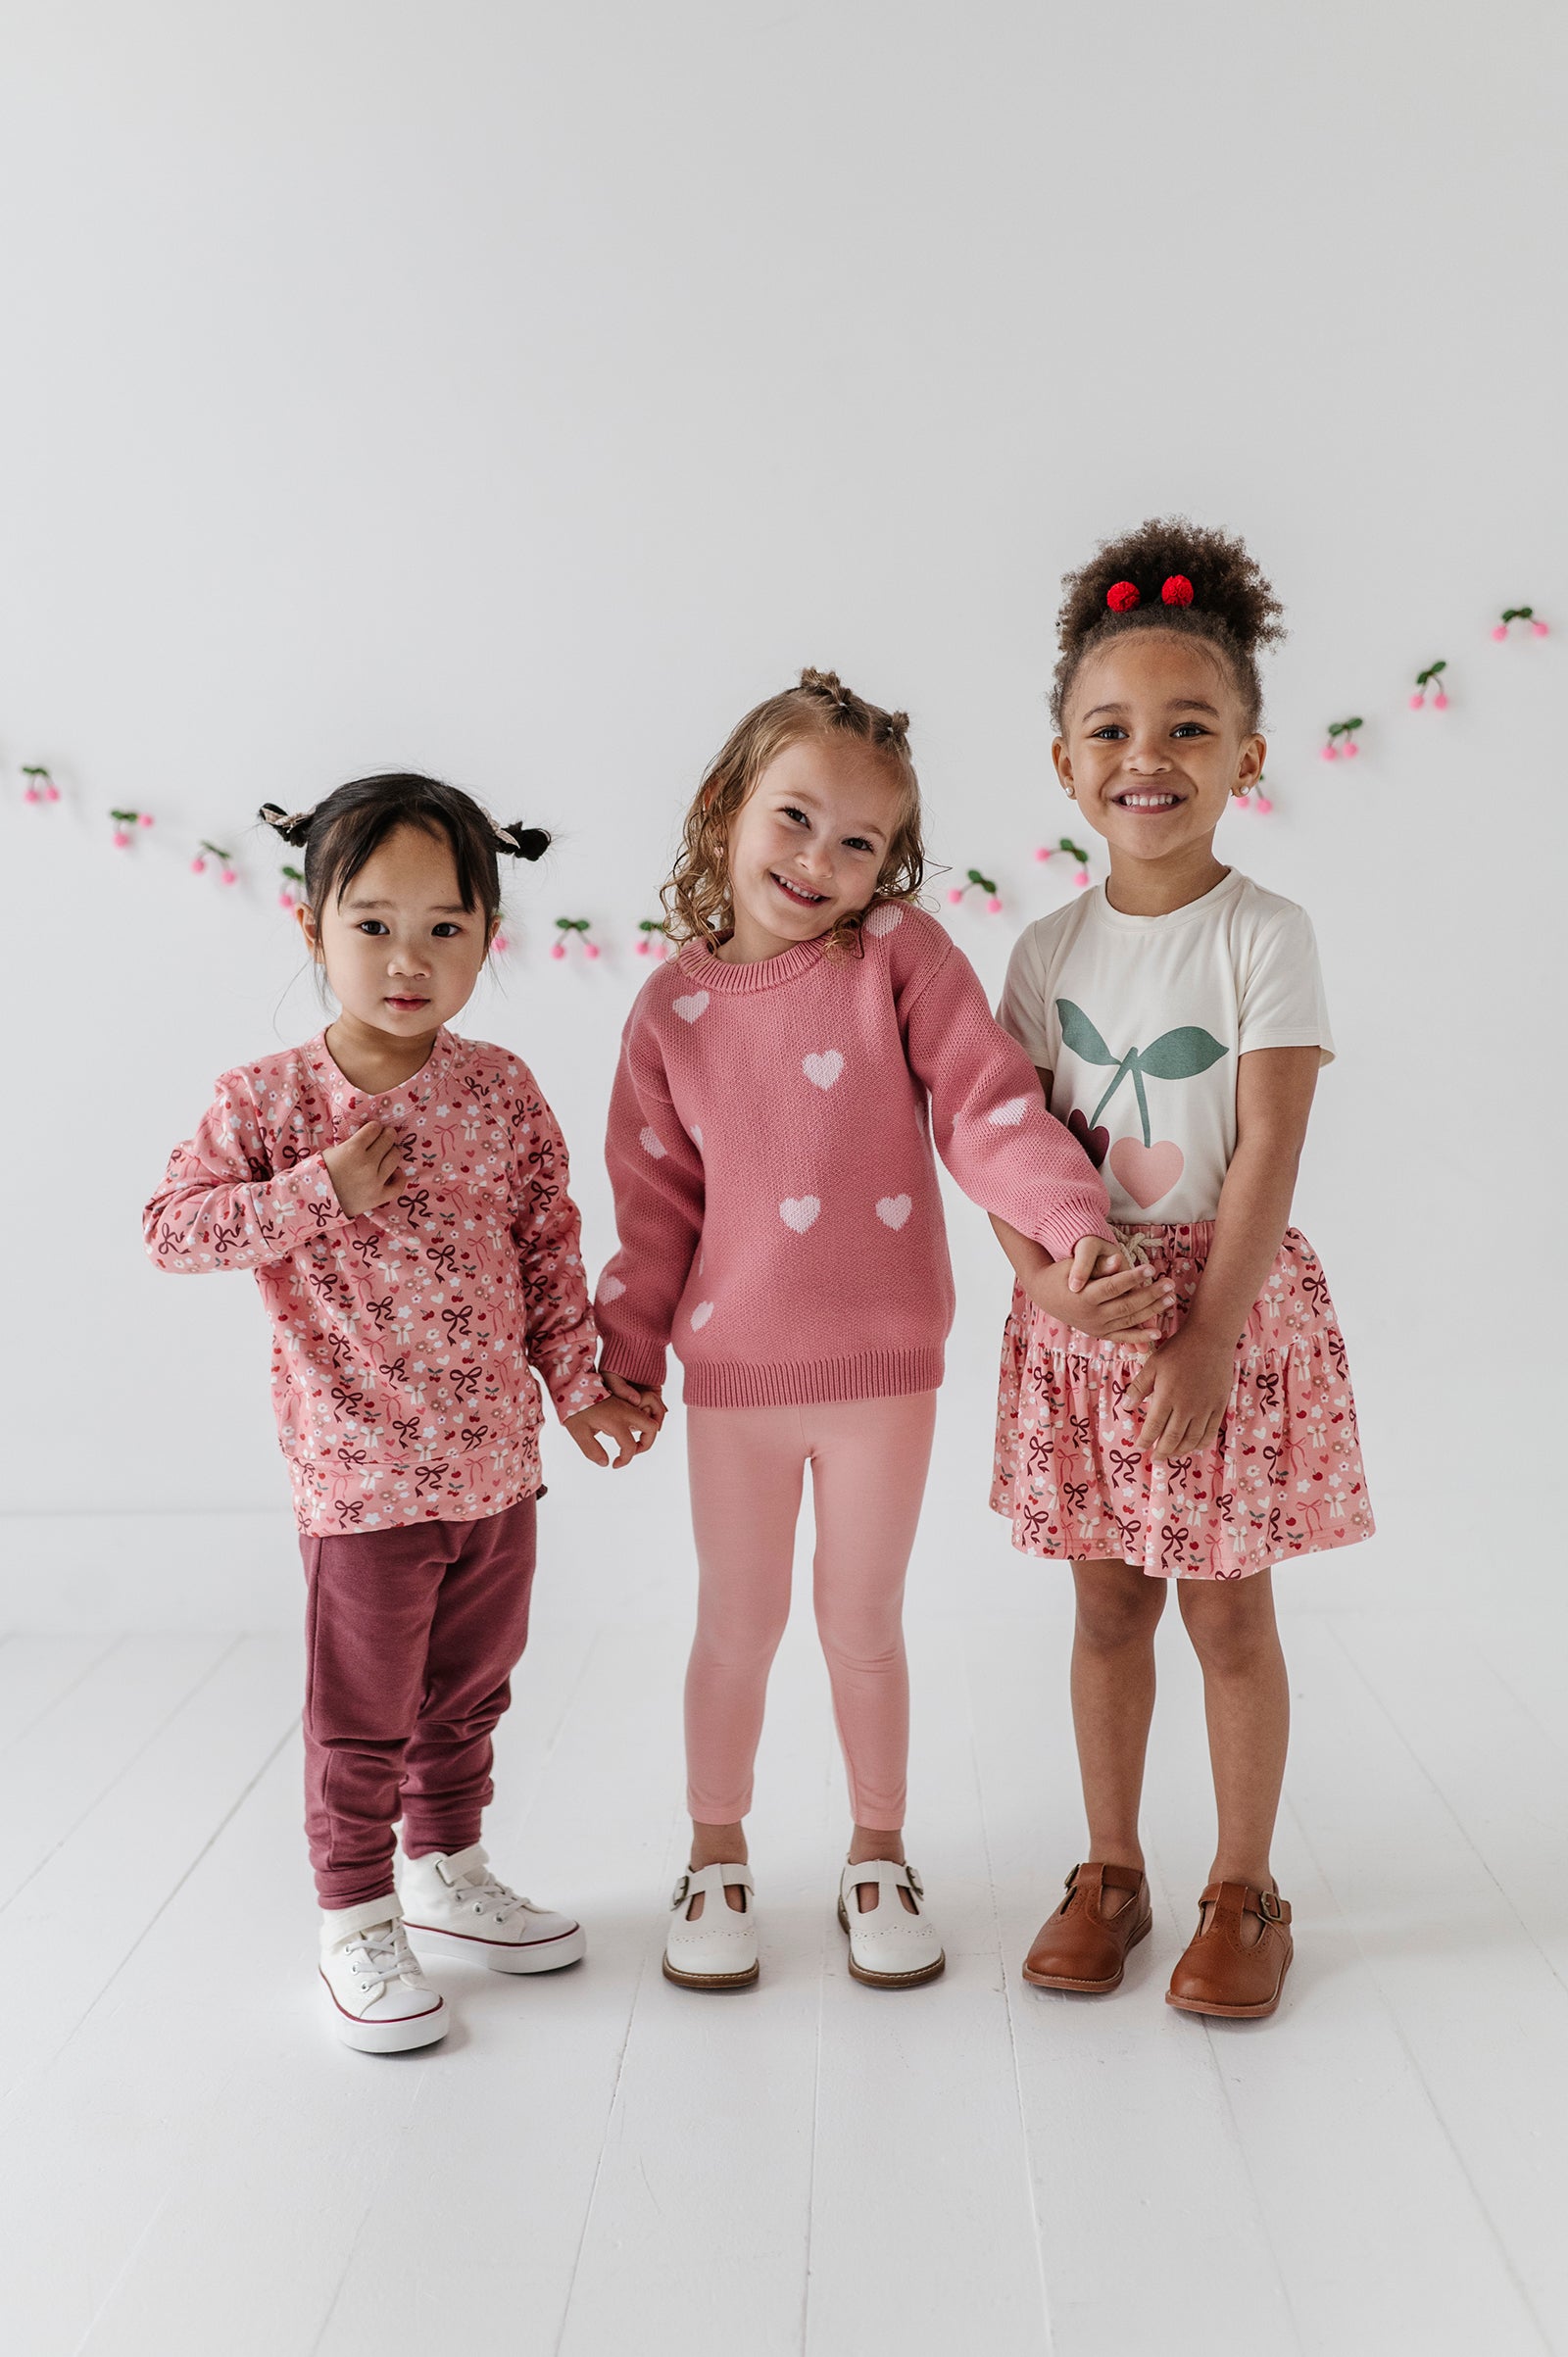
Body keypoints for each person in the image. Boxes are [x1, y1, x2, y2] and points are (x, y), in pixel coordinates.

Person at [594, 669, 1145, 1991]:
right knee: (737, 1625)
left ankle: (879, 1854)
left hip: (885, 1371)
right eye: (794, 817)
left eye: (859, 841)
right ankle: (714, 1854)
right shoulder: (669, 1011)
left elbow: (987, 1107)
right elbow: (653, 1210)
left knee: (864, 1622)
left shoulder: (895, 953)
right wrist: (624, 1362)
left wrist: (1069, 1221)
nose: (819, 860)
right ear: (725, 807)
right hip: (735, 1382)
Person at [144, 772, 656, 2052]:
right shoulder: (268, 1102)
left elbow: (547, 1250)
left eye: (443, 926)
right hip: (359, 1480)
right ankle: (356, 1916)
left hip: (495, 1472)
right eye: (372, 924)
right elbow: (172, 1230)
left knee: (470, 1694)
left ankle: (446, 1870)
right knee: (363, 1714)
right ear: (311, 927)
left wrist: (580, 1391)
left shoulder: (502, 1091)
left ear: (490, 936)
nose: (407, 958)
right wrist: (317, 1190)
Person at [990, 522, 1374, 2021]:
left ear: (1247, 758)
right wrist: (1041, 1281)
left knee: (1225, 1614)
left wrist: (1209, 1335)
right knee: (1105, 1609)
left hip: (1223, 1311)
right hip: (1088, 1311)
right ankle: (1111, 1869)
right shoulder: (1044, 950)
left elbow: (1268, 1149)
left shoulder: (1266, 934)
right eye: (1111, 729)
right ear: (1065, 762)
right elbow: (1001, 1140)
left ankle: (1244, 1885)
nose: (1147, 756)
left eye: (1189, 728)